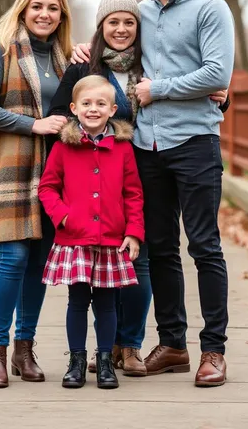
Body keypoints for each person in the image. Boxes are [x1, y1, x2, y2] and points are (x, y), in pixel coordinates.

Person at [71, 0, 235, 387]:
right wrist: (86, 49)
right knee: (161, 249)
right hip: (146, 147)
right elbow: (114, 42)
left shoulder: (211, 8)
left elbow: (217, 72)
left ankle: (214, 351)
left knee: (205, 246)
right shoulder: (138, 11)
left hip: (195, 142)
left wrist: (158, 89)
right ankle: (173, 344)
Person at [47, 0, 152, 377]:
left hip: (140, 163)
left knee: (139, 264)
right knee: (82, 296)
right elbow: (61, 115)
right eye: (112, 22)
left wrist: (220, 92)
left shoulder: (151, 60)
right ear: (100, 26)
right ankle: (86, 356)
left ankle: (128, 346)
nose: (121, 29)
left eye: (129, 22)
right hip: (86, 178)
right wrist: (65, 212)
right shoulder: (84, 63)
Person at [0, 0, 71, 388]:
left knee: (40, 263)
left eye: (52, 8)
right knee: (12, 258)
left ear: (61, 15)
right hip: (11, 167)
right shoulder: (1, 49)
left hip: (56, 173)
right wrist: (35, 125)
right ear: (23, 10)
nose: (44, 14)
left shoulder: (66, 59)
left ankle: (23, 350)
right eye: (37, 7)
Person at [39, 75, 145, 390]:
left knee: (107, 304)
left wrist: (134, 231)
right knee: (77, 301)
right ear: (74, 108)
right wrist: (64, 217)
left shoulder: (123, 148)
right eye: (86, 103)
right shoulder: (63, 146)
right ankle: (76, 360)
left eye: (101, 104)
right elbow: (47, 188)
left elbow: (134, 193)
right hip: (75, 239)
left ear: (113, 109)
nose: (93, 109)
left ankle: (104, 362)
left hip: (112, 239)